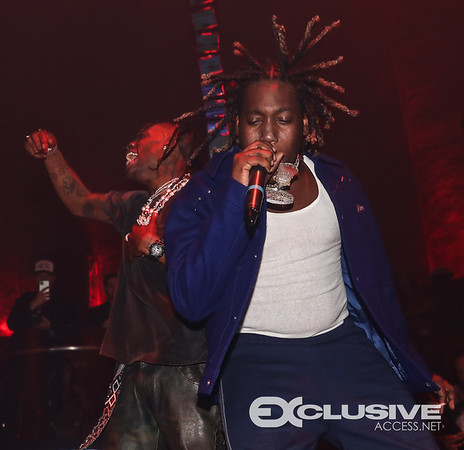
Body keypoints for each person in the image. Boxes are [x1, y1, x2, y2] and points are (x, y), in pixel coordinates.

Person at [165, 15, 453, 449]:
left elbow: (376, 292)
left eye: (283, 119)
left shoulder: (340, 182)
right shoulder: (202, 194)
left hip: (345, 351)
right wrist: (234, 198)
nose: (268, 134)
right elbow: (191, 300)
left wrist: (415, 368)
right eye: (254, 119)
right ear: (236, 125)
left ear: (305, 125)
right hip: (258, 362)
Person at [24, 122, 224, 449]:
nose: (130, 143)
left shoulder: (203, 199)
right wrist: (51, 154)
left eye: (143, 137)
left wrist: (155, 248)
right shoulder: (136, 205)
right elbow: (80, 200)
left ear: (171, 147)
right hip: (133, 364)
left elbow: (214, 271)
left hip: (186, 364)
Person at [7, 259, 75, 345]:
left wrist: (50, 327)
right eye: (40, 276)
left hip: (53, 349)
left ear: (53, 278)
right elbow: (11, 324)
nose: (43, 279)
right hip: (26, 348)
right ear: (36, 279)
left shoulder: (63, 302)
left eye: (47, 276)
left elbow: (71, 330)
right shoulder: (25, 299)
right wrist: (33, 304)